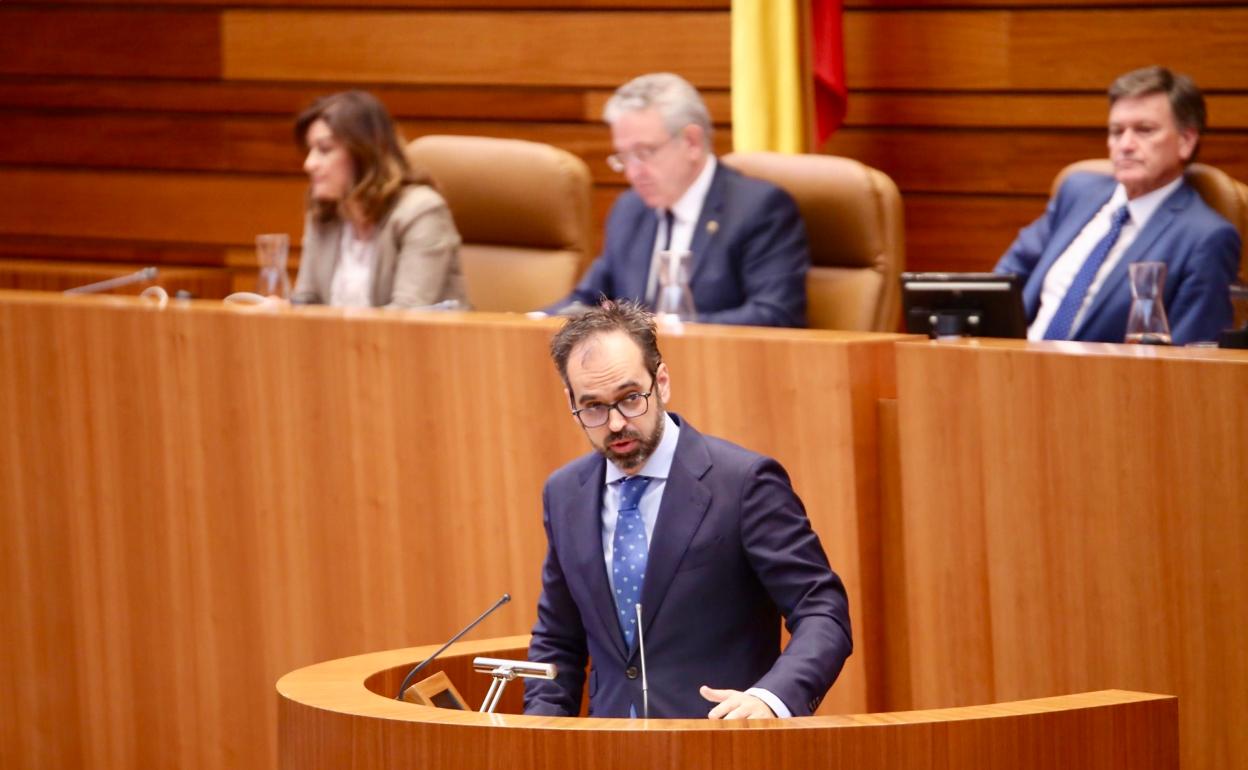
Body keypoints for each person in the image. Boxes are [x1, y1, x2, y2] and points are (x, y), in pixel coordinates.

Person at [524, 300, 851, 719]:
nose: (617, 422)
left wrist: (770, 699)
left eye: (629, 398)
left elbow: (822, 610)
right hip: (607, 751)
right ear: (572, 403)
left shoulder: (742, 483)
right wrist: (540, 734)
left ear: (661, 383)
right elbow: (558, 641)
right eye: (594, 407)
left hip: (721, 747)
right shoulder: (565, 493)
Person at [996, 66, 1240, 345]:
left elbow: (1193, 361)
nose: (1125, 145)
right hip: (1013, 368)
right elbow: (1004, 282)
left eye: (1144, 130)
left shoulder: (1205, 238)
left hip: (1103, 383)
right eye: (1116, 131)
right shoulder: (1077, 191)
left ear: (1186, 141)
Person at [543, 73, 810, 328]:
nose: (632, 172)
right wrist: (537, 320)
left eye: (644, 152)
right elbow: (588, 300)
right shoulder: (629, 210)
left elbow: (776, 314)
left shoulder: (759, 209)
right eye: (623, 157)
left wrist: (669, 329)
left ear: (692, 142)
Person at [291, 90, 469, 309]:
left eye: (324, 150)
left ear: (363, 152)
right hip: (343, 343)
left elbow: (406, 315)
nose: (309, 164)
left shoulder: (421, 211)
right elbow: (305, 303)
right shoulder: (324, 215)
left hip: (422, 343)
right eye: (310, 151)